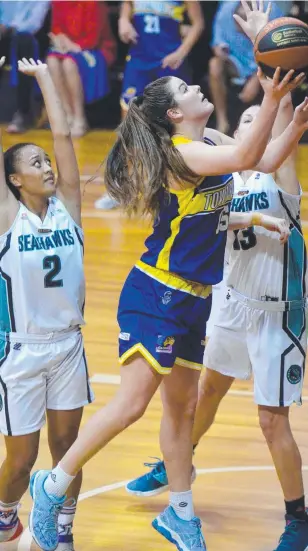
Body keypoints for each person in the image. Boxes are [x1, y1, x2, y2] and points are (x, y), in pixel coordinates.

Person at [28, 4, 308, 551]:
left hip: (195, 300)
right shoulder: (184, 154)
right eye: (187, 88)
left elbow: (257, 162)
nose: (196, 87)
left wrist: (297, 120)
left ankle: (180, 513)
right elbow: (248, 149)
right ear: (173, 114)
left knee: (180, 409)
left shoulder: (210, 142)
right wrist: (273, 96)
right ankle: (53, 483)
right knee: (133, 404)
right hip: (156, 293)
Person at [126, 90, 308, 551]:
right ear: (234, 134)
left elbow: (276, 121)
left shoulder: (278, 173)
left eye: (264, 119)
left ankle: (301, 522)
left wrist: (271, 68)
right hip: (229, 304)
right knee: (206, 392)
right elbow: (202, 147)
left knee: (270, 421)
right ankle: (180, 461)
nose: (256, 123)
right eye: (247, 118)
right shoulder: (220, 178)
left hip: (278, 314)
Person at [0, 57, 93, 551]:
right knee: (20, 460)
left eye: (44, 160)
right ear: (14, 180)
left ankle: (62, 528)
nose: (45, 166)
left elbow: (63, 139)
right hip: (21, 351)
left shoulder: (68, 206)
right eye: (32, 163)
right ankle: (5, 516)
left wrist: (45, 80)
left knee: (67, 451)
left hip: (68, 347)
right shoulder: (6, 219)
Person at [95, 0, 204, 211]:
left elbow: (198, 24)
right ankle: (121, 187)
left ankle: (183, 186)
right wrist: (124, 21)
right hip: (139, 61)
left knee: (176, 127)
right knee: (127, 124)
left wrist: (181, 52)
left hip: (169, 62)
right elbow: (127, 5)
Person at [209, 0, 282, 134]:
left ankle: (274, 127)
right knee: (214, 64)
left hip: (267, 61)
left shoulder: (273, 12)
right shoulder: (225, 11)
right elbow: (217, 44)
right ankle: (222, 121)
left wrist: (256, 78)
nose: (240, 28)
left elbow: (280, 52)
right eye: (237, 24)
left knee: (279, 64)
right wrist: (221, 50)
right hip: (236, 62)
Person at [46, 0, 117, 138]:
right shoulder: (58, 2)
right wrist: (60, 40)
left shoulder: (94, 3)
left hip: (96, 48)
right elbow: (56, 28)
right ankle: (67, 115)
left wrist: (72, 46)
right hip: (66, 48)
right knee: (51, 61)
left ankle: (80, 118)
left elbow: (94, 38)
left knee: (68, 63)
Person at [0, 0, 50, 133]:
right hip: (7, 34)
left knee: (23, 42)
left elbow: (34, 25)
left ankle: (23, 112)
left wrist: (10, 27)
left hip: (33, 37)